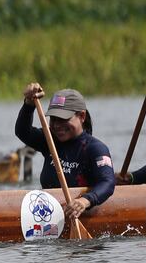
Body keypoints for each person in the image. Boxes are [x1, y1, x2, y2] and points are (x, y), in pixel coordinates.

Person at [15, 84, 115, 221]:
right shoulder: (49, 140)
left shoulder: (95, 148)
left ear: (82, 116)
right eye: (53, 119)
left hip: (82, 213)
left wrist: (85, 201)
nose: (56, 125)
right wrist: (28, 104)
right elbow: (22, 131)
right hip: (49, 214)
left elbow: (108, 182)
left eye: (63, 119)